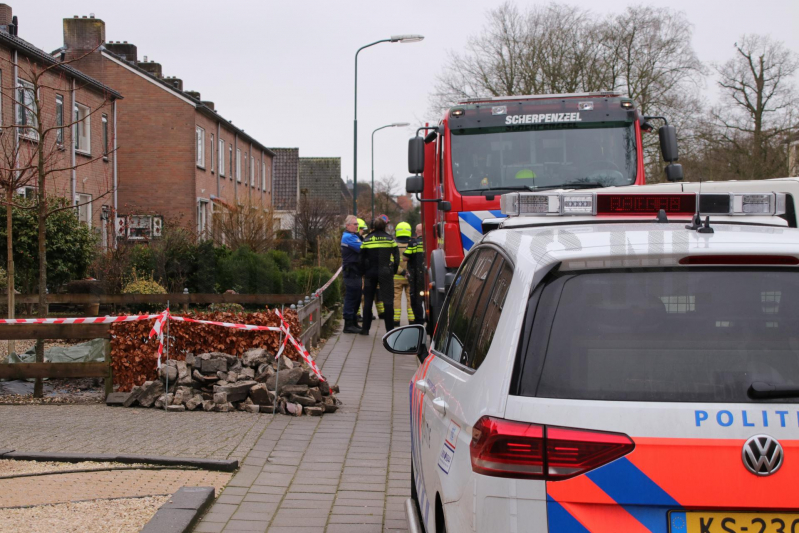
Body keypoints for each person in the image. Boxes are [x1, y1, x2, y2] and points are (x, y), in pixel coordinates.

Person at [360, 217, 399, 334]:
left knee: (368, 301)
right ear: (385, 226)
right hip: (385, 273)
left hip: (370, 273)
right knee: (388, 301)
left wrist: (363, 272)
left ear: (373, 227)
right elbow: (397, 258)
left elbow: (360, 258)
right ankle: (390, 330)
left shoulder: (367, 240)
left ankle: (365, 329)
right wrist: (393, 270)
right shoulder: (390, 239)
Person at [340, 215, 363, 334]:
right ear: (347, 225)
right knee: (351, 297)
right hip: (351, 271)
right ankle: (348, 324)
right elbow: (363, 249)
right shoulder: (349, 237)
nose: (357, 226)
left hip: (355, 271)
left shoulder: (353, 236)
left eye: (357, 224)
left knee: (357, 296)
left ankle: (353, 322)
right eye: (354, 224)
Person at [393, 222, 415, 325]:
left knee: (396, 298)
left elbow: (392, 263)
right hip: (410, 277)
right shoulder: (412, 245)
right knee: (410, 298)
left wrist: (401, 272)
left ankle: (396, 320)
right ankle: (412, 319)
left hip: (397, 277)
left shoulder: (394, 245)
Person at [405, 223, 425, 325]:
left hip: (416, 276)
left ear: (417, 232)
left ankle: (419, 321)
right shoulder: (429, 242)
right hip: (427, 275)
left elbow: (406, 257)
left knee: (416, 300)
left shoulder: (413, 243)